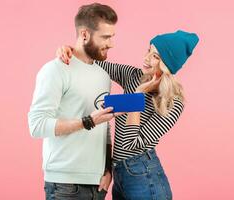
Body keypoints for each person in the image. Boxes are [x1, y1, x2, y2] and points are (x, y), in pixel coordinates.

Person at [57, 30, 199, 199]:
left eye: (155, 56)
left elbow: (130, 143)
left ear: (167, 65)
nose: (146, 59)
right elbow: (93, 63)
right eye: (148, 51)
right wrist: (71, 50)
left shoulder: (172, 103)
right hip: (120, 175)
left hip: (145, 176)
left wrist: (137, 96)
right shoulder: (133, 76)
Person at [28, 3, 121, 200]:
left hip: (98, 185)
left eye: (112, 36)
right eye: (105, 37)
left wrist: (107, 169)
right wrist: (87, 121)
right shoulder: (56, 70)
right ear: (85, 35)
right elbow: (36, 125)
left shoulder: (103, 75)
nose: (111, 43)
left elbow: (104, 125)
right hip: (65, 185)